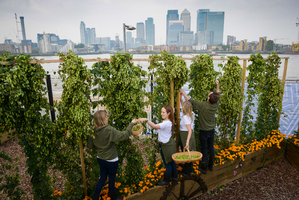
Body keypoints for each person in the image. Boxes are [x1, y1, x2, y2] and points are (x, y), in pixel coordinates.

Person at [87, 110, 139, 200]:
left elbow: (90, 146)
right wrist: (131, 123)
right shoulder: (109, 129)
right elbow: (124, 135)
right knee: (111, 178)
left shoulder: (92, 131)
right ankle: (113, 197)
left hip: (100, 159)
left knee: (102, 178)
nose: (108, 118)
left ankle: (95, 197)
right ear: (102, 119)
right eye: (106, 117)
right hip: (111, 159)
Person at [180, 80, 220, 175]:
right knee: (210, 147)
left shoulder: (203, 106)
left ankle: (204, 168)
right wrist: (217, 85)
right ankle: (211, 166)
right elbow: (217, 93)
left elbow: (190, 101)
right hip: (211, 130)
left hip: (204, 131)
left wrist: (182, 91)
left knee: (204, 148)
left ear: (208, 97)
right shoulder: (216, 104)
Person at [139, 105, 178, 186]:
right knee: (171, 161)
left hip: (167, 146)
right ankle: (175, 177)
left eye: (163, 112)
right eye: (161, 112)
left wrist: (146, 120)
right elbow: (170, 115)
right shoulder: (169, 121)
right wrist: (172, 111)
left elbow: (154, 126)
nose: (161, 114)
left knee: (167, 163)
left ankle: (167, 180)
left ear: (168, 113)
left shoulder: (166, 123)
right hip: (169, 144)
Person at [179, 95, 196, 176]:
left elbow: (190, 130)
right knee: (190, 154)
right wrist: (181, 99)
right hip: (189, 136)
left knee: (186, 153)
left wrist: (187, 141)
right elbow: (185, 108)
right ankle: (189, 170)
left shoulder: (186, 117)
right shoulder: (191, 113)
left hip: (186, 135)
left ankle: (186, 172)